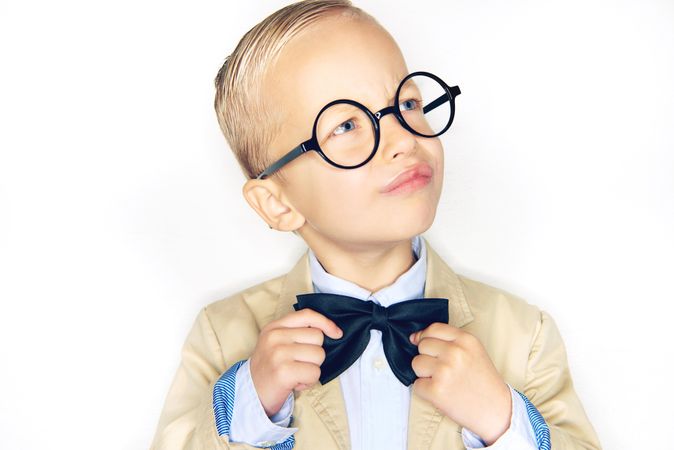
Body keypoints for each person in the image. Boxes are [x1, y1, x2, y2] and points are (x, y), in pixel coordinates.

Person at [150, 1, 602, 449]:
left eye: (407, 102)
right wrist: (250, 405)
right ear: (276, 203)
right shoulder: (222, 334)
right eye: (346, 125)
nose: (403, 137)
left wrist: (502, 420)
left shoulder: (525, 335)